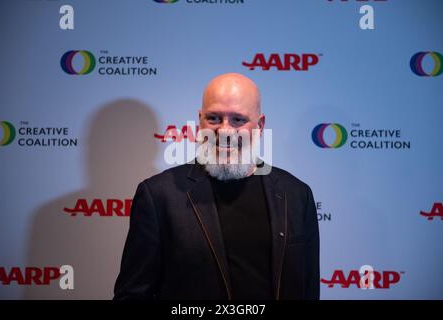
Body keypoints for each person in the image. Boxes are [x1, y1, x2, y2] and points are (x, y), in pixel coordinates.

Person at [113, 73, 320, 300]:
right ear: (199, 121)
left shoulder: (297, 195)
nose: (225, 131)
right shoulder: (159, 196)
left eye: (238, 120)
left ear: (260, 125)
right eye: (213, 118)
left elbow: (308, 291)